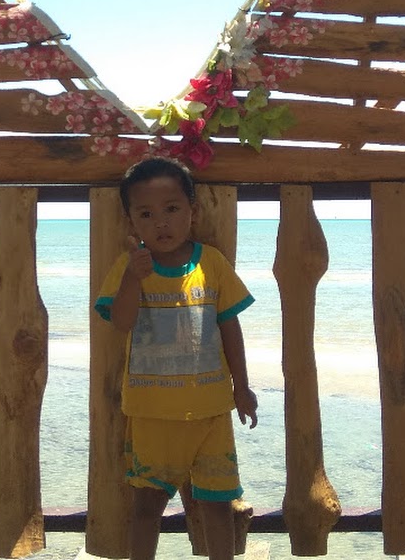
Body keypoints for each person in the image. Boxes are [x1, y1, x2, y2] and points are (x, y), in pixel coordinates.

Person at [94, 156, 258, 560]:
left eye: (171, 209)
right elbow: (121, 321)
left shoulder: (211, 262)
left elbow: (230, 327)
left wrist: (242, 387)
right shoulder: (129, 267)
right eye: (146, 214)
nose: (161, 223)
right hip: (152, 413)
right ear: (131, 221)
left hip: (211, 411)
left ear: (192, 211)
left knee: (217, 504)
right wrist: (133, 277)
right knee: (147, 507)